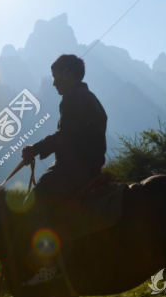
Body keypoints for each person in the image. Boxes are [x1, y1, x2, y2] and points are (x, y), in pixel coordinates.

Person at [19, 54, 107, 285]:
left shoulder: (72, 98)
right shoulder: (91, 98)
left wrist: (34, 149)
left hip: (72, 170)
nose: (54, 82)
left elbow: (66, 135)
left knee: (31, 207)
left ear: (68, 74)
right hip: (90, 169)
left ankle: (48, 267)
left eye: (56, 77)